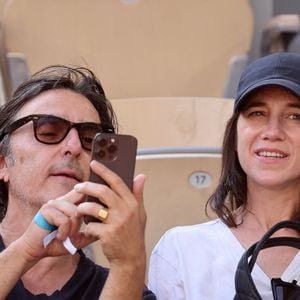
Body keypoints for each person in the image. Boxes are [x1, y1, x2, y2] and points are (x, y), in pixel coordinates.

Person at [148, 52, 300, 299]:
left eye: (295, 116)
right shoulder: (182, 250)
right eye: (257, 113)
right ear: (235, 134)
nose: (273, 132)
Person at [0, 65, 156, 299]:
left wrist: (128, 263)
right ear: (2, 164)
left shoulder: (127, 288)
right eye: (49, 130)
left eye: (90, 139)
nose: (73, 147)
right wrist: (22, 252)